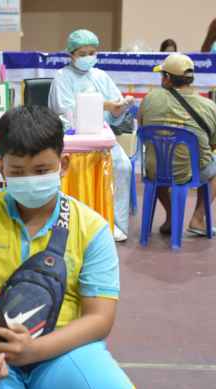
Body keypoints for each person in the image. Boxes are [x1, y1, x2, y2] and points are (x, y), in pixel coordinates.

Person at [0, 105, 137, 389]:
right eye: (17, 171)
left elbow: (99, 319)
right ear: (1, 167)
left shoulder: (92, 228)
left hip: (61, 350)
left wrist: (35, 350)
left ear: (64, 164)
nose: (29, 179)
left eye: (41, 171)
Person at [48, 29, 133, 242]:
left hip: (101, 138)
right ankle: (75, 222)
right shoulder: (62, 77)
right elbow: (65, 110)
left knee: (122, 166)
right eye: (82, 53)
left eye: (92, 53)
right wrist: (105, 105)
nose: (88, 57)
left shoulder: (101, 76)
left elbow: (114, 115)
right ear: (71, 54)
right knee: (76, 168)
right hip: (72, 140)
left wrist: (119, 109)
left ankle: (114, 223)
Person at [138, 53, 216, 236]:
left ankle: (171, 217)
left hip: (155, 170)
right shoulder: (209, 106)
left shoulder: (149, 99)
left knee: (160, 162)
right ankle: (197, 219)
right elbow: (212, 145)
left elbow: (142, 130)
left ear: (167, 78)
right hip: (189, 172)